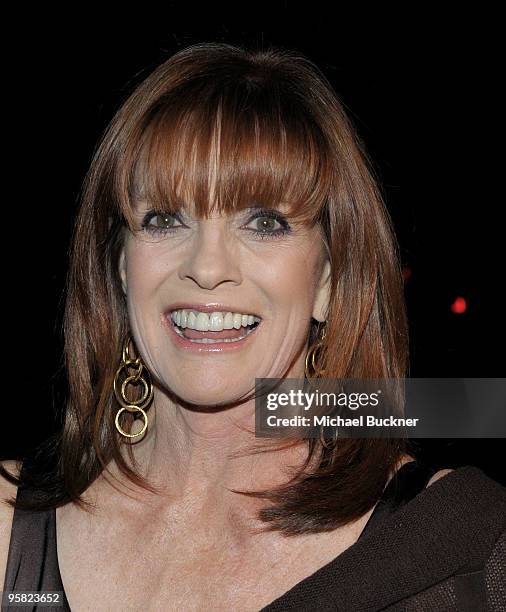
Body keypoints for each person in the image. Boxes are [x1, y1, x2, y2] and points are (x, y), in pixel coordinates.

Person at [1, 43, 504, 611]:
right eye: (165, 219)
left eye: (264, 223)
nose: (207, 267)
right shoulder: (9, 528)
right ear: (121, 268)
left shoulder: (463, 548)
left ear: (328, 280)